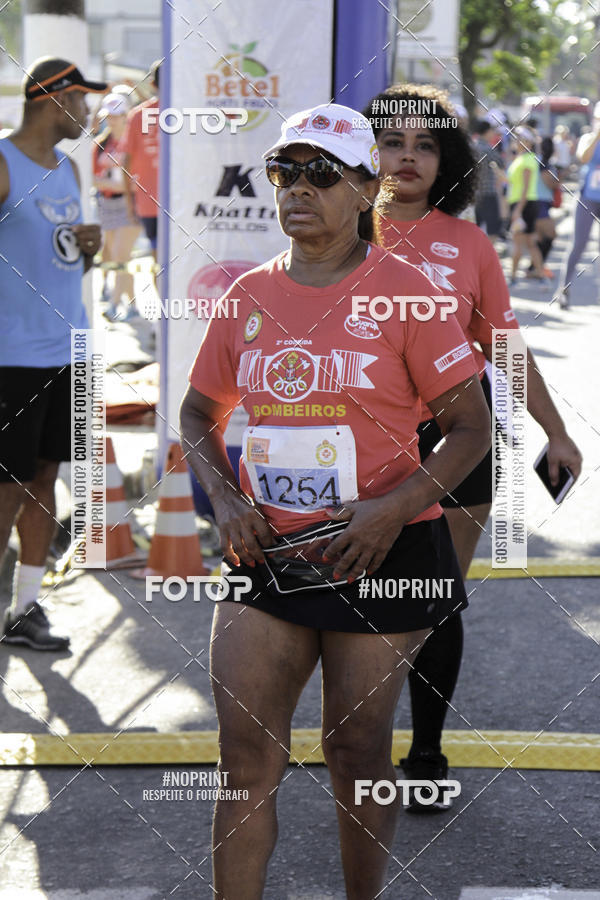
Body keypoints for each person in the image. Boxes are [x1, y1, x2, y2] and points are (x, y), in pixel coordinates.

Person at [180, 103, 492, 897]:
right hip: (271, 553)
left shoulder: (410, 295)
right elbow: (194, 412)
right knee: (244, 758)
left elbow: (469, 428)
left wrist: (394, 506)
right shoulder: (247, 294)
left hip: (382, 551)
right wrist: (224, 498)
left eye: (322, 173)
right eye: (285, 170)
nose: (298, 188)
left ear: (364, 190)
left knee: (356, 753)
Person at [363, 82, 583, 812]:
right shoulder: (334, 231)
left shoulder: (467, 244)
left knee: (434, 601)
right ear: (363, 151)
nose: (407, 156)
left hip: (459, 437)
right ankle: (357, 750)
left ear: (447, 157)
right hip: (359, 442)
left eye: (425, 144)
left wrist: (557, 430)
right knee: (358, 602)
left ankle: (424, 754)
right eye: (392, 141)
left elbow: (505, 347)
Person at [0, 57, 105, 650]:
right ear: (55, 98)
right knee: (5, 486)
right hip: (10, 357)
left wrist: (87, 248)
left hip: (70, 351)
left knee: (45, 479)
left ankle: (23, 609)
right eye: (83, 101)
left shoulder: (67, 168)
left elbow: (62, 259)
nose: (88, 113)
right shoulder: (3, 160)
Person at [93, 92, 141, 320]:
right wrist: (113, 184)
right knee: (118, 258)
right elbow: (93, 176)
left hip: (130, 205)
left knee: (122, 255)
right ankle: (132, 305)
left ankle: (113, 305)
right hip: (106, 204)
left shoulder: (134, 141)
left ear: (126, 116)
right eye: (108, 116)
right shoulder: (101, 144)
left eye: (117, 115)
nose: (111, 120)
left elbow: (136, 183)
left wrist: (113, 184)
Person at [558, 102, 600, 309]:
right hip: (588, 197)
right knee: (579, 244)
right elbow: (584, 157)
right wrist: (598, 134)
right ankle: (564, 289)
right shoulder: (588, 138)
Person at [120, 60, 160, 280]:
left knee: (158, 261)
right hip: (183, 204)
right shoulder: (189, 114)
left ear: (153, 83)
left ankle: (166, 312)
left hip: (148, 203)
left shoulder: (137, 115)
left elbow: (126, 163)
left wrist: (129, 202)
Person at [506, 126, 546, 284]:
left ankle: (513, 277)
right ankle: (541, 276)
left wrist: (517, 210)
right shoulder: (521, 158)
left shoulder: (528, 159)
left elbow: (525, 187)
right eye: (516, 139)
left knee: (519, 241)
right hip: (523, 203)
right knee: (529, 242)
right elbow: (516, 184)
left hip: (523, 204)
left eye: (521, 139)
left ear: (528, 142)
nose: (516, 142)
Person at [472, 119, 505, 244]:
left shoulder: (471, 146)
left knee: (474, 227)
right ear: (486, 132)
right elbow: (501, 164)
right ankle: (487, 258)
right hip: (488, 194)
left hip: (473, 195)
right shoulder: (488, 149)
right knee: (493, 229)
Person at [530, 136, 558, 278]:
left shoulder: (538, 160)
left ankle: (536, 267)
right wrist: (559, 181)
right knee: (550, 235)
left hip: (539, 201)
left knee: (539, 238)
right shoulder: (543, 163)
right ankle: (534, 268)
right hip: (540, 202)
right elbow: (549, 183)